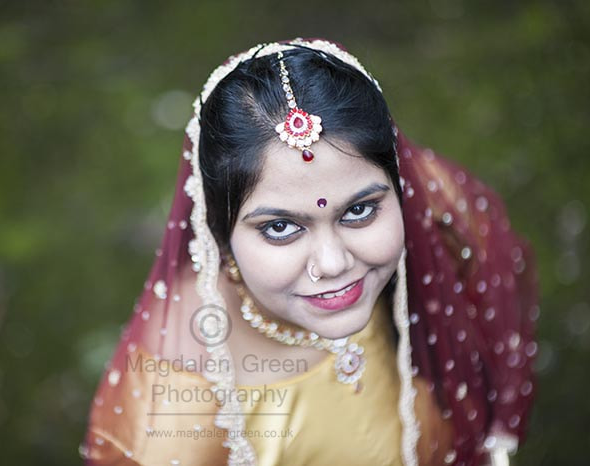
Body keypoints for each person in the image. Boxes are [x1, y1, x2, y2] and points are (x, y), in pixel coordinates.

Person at [80, 38, 539, 466]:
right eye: (280, 227)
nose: (334, 263)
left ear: (399, 188)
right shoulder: (169, 417)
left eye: (358, 211)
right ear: (218, 234)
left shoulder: (435, 220)